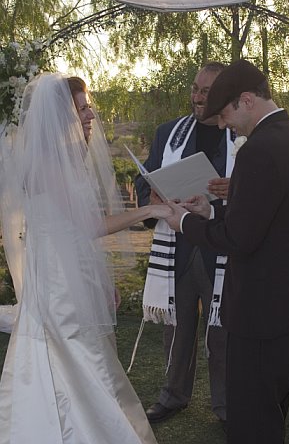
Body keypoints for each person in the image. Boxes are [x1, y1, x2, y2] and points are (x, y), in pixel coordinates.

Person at [0, 73, 170, 444]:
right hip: (58, 283)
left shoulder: (61, 158)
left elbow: (76, 237)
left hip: (68, 272)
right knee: (76, 357)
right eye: (81, 108)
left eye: (88, 105)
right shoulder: (49, 163)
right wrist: (148, 212)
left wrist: (100, 282)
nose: (90, 113)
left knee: (73, 358)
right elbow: (90, 226)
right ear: (62, 116)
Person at [161, 59, 289, 444]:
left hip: (256, 312)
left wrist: (185, 223)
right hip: (283, 310)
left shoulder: (258, 150)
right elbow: (268, 216)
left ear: (248, 100)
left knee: (251, 423)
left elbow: (239, 239)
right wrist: (213, 209)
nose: (223, 125)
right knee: (271, 411)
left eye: (224, 114)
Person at [135, 62, 235, 424]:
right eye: (195, 88)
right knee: (175, 328)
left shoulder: (241, 137)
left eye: (206, 91)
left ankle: (226, 406)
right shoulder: (168, 133)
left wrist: (224, 199)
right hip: (175, 246)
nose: (197, 96)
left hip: (219, 249)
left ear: (225, 94)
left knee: (224, 331)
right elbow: (143, 179)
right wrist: (153, 193)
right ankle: (173, 395)